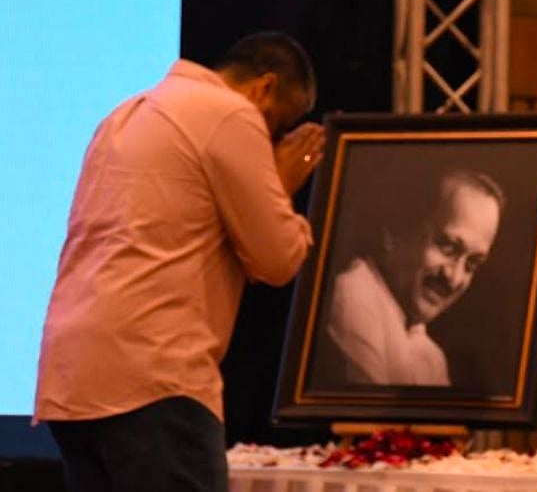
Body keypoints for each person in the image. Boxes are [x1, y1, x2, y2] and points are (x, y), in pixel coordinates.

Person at [34, 31, 325, 492]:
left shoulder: (125, 114)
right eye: (276, 124)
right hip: (152, 379)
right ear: (264, 88)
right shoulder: (231, 114)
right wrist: (280, 183)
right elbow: (277, 259)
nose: (269, 137)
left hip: (73, 378)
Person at [314, 168, 505, 387]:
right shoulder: (353, 297)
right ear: (394, 232)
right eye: (448, 247)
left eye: (471, 264)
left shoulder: (432, 358)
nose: (454, 278)